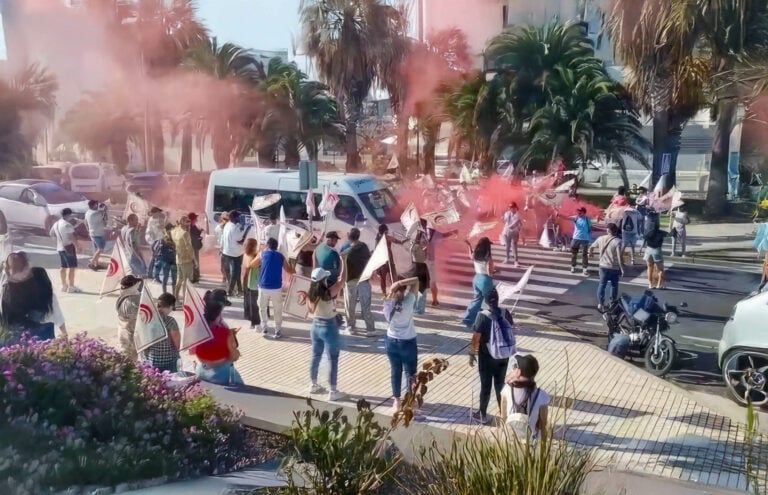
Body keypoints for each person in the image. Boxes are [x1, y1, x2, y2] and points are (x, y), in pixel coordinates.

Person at [469, 289, 515, 425]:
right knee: (500, 385)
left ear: (486, 301)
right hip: (503, 356)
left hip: (487, 356)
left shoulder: (482, 316)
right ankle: (504, 415)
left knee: (486, 386)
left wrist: (472, 354)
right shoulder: (505, 312)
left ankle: (482, 414)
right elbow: (510, 327)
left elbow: (476, 337)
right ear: (498, 299)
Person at [0, 252, 67, 345]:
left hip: (40, 331)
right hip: (16, 331)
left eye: (25, 276)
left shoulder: (41, 284)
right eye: (17, 279)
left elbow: (56, 312)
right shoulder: (6, 287)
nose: (21, 280)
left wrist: (64, 334)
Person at [307, 266, 346, 401]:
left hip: (315, 326)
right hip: (329, 327)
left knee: (315, 355)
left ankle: (313, 384)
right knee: (332, 360)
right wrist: (344, 261)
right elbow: (342, 280)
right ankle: (333, 391)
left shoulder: (310, 294)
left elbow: (310, 311)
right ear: (324, 279)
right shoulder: (328, 293)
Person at [383, 277, 420, 413]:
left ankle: (397, 401)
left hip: (391, 340)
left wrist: (392, 289)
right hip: (408, 340)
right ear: (404, 290)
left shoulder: (387, 303)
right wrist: (399, 283)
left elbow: (389, 296)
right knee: (410, 372)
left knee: (395, 370)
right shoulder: (409, 301)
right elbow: (416, 280)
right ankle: (410, 400)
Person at [190, 291, 243, 386]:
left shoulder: (197, 328)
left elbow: (192, 351)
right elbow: (233, 357)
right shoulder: (224, 332)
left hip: (202, 371)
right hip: (222, 374)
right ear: (218, 313)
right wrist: (236, 352)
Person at [499, 354, 550, 440]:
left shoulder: (507, 390)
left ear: (518, 372)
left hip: (510, 440)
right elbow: (543, 425)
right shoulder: (541, 395)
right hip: (531, 442)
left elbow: (503, 418)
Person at [340, 228, 375, 335]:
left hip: (350, 280)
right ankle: (370, 329)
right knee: (366, 306)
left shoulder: (345, 248)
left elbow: (342, 263)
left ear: (348, 235)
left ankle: (351, 327)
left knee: (350, 306)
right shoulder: (364, 246)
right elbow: (370, 261)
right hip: (363, 280)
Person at [258, 237, 295, 338]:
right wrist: (294, 272)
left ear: (267, 245)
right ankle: (277, 330)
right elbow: (288, 270)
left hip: (263, 286)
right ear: (276, 246)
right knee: (277, 309)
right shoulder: (281, 256)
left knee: (262, 307)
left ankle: (264, 327)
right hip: (276, 287)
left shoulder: (262, 254)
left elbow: (254, 263)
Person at [460, 237, 496, 329]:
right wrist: (495, 272)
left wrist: (469, 245)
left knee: (476, 300)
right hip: (485, 280)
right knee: (490, 301)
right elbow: (489, 271)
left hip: (476, 278)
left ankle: (468, 320)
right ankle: (490, 321)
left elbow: (470, 255)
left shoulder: (476, 254)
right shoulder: (488, 256)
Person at [590, 223, 625, 312]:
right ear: (615, 231)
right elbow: (619, 256)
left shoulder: (600, 239)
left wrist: (591, 253)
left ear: (607, 230)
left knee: (602, 285)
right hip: (614, 267)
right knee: (614, 286)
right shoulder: (618, 241)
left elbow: (592, 247)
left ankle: (601, 303)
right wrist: (622, 268)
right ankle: (612, 302)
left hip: (603, 266)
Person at [142, 293, 180, 373]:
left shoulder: (147, 318)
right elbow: (177, 343)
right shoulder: (171, 321)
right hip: (169, 360)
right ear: (170, 306)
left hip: (152, 359)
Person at [49, 208, 81, 293]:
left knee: (63, 266)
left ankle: (64, 285)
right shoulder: (67, 225)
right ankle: (71, 286)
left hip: (60, 247)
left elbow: (51, 233)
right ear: (68, 215)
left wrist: (58, 241)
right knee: (72, 267)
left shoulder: (56, 224)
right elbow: (72, 237)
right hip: (69, 247)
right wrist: (77, 246)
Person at [406, 220, 430, 315]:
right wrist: (418, 234)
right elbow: (412, 250)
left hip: (421, 267)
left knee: (421, 290)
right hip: (418, 268)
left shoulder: (419, 245)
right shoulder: (414, 246)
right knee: (417, 289)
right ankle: (416, 308)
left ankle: (419, 308)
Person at [116, 275, 142, 361]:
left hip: (125, 331)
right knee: (130, 358)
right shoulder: (134, 299)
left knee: (127, 357)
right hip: (129, 333)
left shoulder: (124, 296)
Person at [171, 216, 197, 301]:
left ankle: (176, 298)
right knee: (186, 281)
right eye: (187, 221)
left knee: (180, 279)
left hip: (178, 258)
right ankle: (185, 302)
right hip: (186, 259)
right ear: (182, 222)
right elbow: (189, 248)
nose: (189, 223)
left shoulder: (174, 231)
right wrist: (195, 260)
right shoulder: (185, 233)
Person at [221, 210, 246, 296]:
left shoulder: (228, 225)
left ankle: (239, 289)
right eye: (238, 217)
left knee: (237, 272)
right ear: (235, 218)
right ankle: (230, 291)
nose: (240, 218)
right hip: (235, 254)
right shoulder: (235, 228)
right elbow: (239, 240)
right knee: (235, 273)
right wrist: (244, 232)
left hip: (227, 252)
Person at [374, 224, 403, 295]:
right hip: (388, 260)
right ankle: (394, 293)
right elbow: (398, 241)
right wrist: (405, 240)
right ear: (385, 231)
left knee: (382, 279)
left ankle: (384, 294)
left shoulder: (377, 238)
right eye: (387, 230)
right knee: (393, 278)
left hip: (381, 261)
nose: (388, 231)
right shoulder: (387, 237)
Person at [242, 238, 261, 330]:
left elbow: (245, 273)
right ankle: (256, 322)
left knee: (250, 303)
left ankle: (252, 322)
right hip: (256, 282)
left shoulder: (245, 255)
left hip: (249, 283)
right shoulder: (256, 256)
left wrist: (244, 283)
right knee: (255, 304)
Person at [153, 223, 177, 295]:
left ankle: (165, 294)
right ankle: (173, 294)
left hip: (166, 260)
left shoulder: (162, 239)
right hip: (170, 261)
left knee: (166, 278)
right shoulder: (172, 239)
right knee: (172, 278)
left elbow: (154, 248)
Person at [122, 213, 147, 278]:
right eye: (136, 220)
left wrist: (137, 231)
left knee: (132, 275)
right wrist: (139, 257)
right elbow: (133, 244)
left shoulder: (124, 228)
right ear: (130, 221)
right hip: (134, 255)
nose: (137, 221)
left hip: (127, 254)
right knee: (140, 276)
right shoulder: (132, 230)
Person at [644, 225, 668, 289]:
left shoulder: (648, 233)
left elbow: (644, 239)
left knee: (649, 268)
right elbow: (670, 234)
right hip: (657, 250)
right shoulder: (661, 233)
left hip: (648, 251)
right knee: (660, 270)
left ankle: (650, 284)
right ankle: (659, 285)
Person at [569, 207, 592, 276]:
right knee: (574, 254)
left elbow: (590, 228)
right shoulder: (576, 218)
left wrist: (589, 237)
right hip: (576, 238)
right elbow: (567, 218)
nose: (578, 214)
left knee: (584, 254)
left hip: (585, 239)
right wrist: (559, 215)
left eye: (580, 212)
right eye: (578, 212)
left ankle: (584, 269)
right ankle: (573, 267)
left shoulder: (588, 219)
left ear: (584, 212)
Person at [85, 200, 107, 271]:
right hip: (98, 234)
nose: (97, 206)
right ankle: (91, 263)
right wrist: (104, 210)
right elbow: (105, 221)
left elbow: (85, 222)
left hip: (93, 233)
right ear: (94, 205)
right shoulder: (96, 214)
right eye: (97, 205)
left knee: (96, 250)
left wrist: (89, 231)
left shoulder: (88, 213)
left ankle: (96, 265)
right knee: (100, 249)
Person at [145, 207, 165, 280]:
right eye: (158, 212)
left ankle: (151, 273)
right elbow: (155, 231)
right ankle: (152, 274)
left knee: (156, 258)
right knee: (155, 258)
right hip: (155, 241)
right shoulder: (152, 221)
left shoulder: (157, 219)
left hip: (158, 240)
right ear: (154, 213)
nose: (159, 213)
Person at [501, 202, 522, 267]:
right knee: (507, 245)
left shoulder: (518, 215)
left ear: (516, 208)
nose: (511, 209)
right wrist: (502, 218)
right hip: (507, 232)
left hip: (514, 232)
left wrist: (518, 228)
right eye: (510, 208)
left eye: (513, 207)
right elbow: (505, 221)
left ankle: (516, 261)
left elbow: (515, 224)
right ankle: (507, 258)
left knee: (514, 246)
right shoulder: (507, 213)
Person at [188, 212, 204, 283]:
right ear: (192, 219)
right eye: (195, 218)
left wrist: (200, 231)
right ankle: (194, 277)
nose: (196, 219)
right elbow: (193, 236)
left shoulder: (192, 226)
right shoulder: (190, 226)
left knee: (195, 261)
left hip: (195, 246)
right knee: (194, 262)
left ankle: (196, 275)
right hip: (193, 246)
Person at [215, 213, 229, 283]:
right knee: (222, 267)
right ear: (221, 219)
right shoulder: (218, 228)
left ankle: (228, 279)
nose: (226, 221)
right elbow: (217, 237)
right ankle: (224, 276)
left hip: (229, 250)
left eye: (227, 219)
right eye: (224, 219)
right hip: (222, 249)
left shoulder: (230, 227)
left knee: (228, 267)